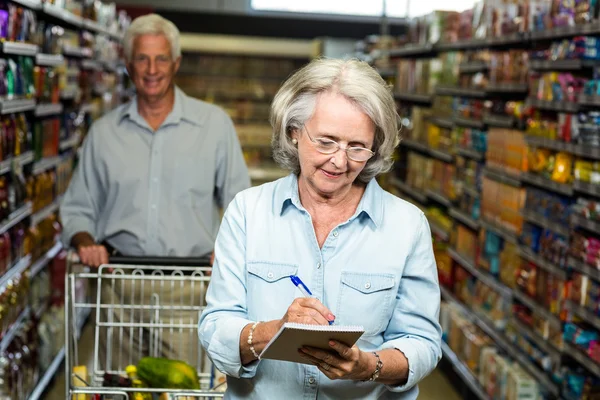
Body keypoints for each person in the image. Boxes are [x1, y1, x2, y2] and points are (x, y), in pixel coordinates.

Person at [199, 58, 442, 399]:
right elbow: (215, 327)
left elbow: (422, 342)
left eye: (357, 147)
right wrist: (275, 331)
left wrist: (369, 366)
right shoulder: (247, 212)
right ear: (294, 132)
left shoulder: (406, 225)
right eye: (326, 141)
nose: (339, 161)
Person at [59, 14, 250, 373]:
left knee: (182, 387)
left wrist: (227, 251)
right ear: (128, 66)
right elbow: (77, 208)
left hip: (189, 288)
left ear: (176, 63)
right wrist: (85, 240)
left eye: (161, 58)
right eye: (142, 59)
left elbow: (242, 204)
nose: (152, 69)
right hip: (118, 287)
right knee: (121, 387)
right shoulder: (103, 134)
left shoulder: (213, 126)